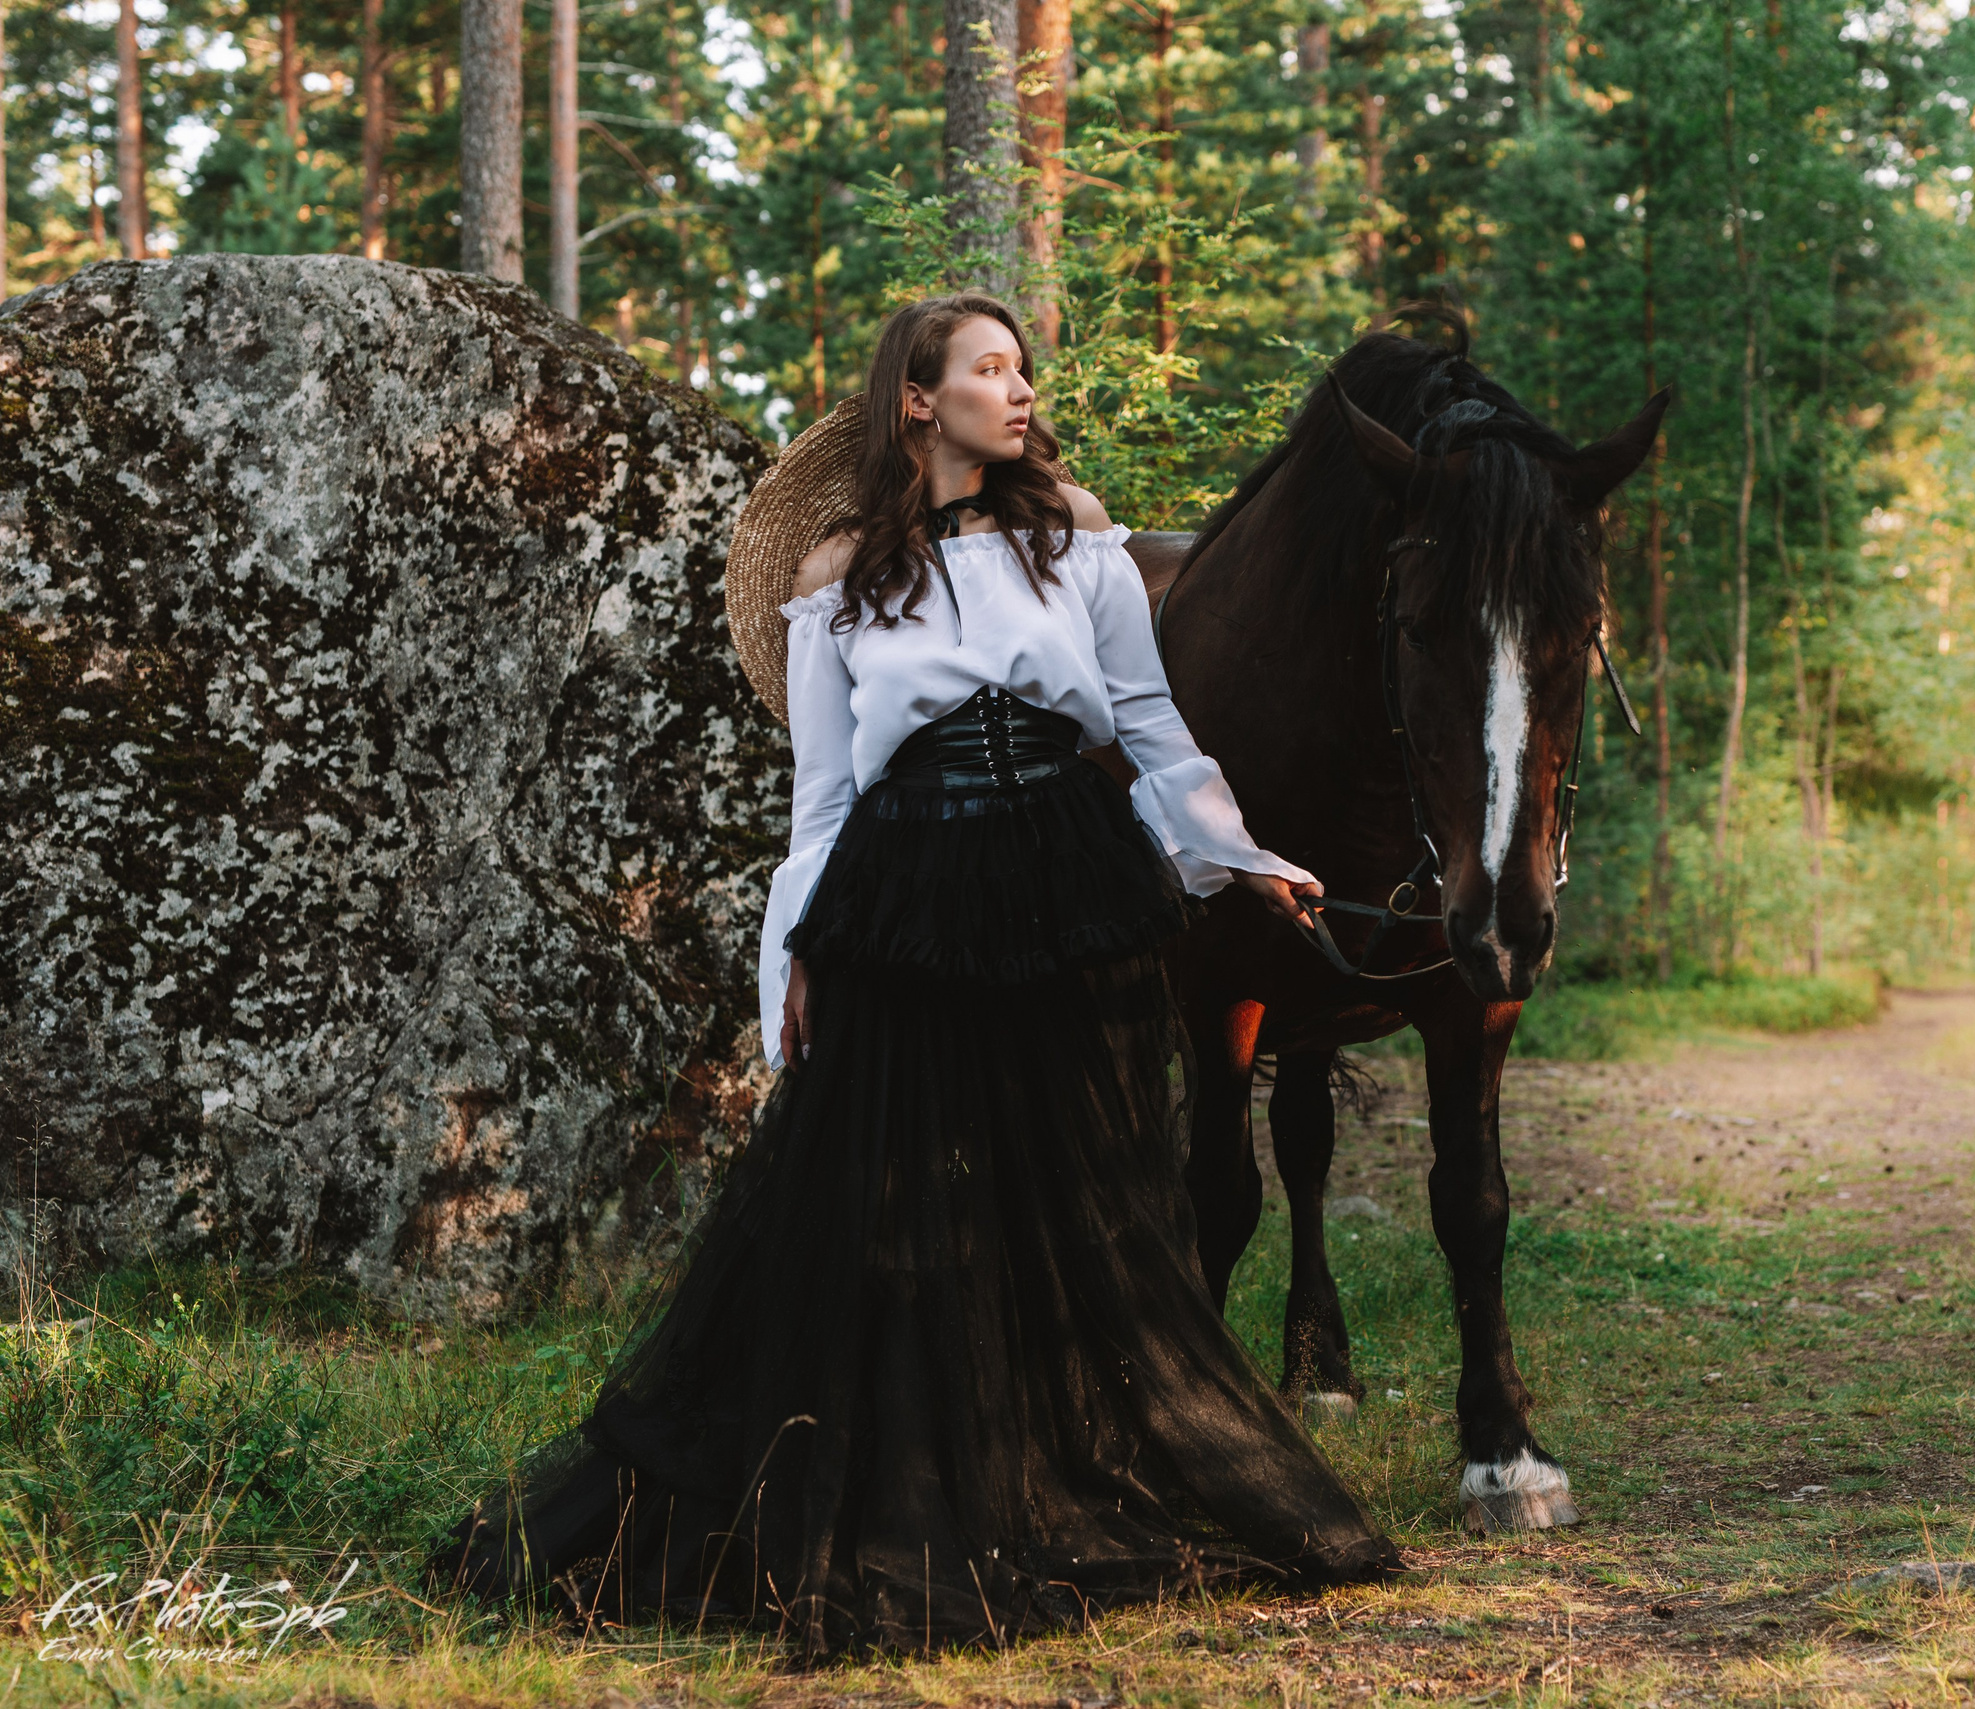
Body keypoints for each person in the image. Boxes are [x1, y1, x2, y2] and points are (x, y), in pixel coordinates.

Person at [422, 292, 1403, 1660]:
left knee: (1080, 1196)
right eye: (987, 369)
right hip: (907, 896)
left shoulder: (1078, 536)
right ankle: (914, 1494)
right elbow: (823, 801)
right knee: (903, 1206)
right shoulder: (835, 574)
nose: (1017, 389)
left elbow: (1147, 723)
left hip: (1068, 885)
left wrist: (1242, 858)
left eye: (1019, 368)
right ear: (916, 401)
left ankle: (1063, 1478)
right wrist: (798, 962)